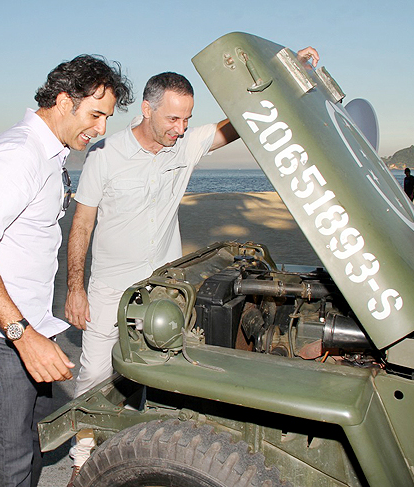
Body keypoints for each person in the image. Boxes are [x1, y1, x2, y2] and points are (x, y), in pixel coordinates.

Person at [63, 47, 319, 484]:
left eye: (187, 120)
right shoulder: (105, 155)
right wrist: (75, 287)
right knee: (95, 375)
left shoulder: (185, 145)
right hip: (109, 290)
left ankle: (145, 454)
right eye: (172, 120)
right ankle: (82, 461)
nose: (181, 129)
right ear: (146, 109)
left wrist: (288, 72)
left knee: (160, 375)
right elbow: (82, 223)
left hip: (166, 293)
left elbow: (236, 125)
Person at [0, 55, 133, 487]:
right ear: (65, 100)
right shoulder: (18, 154)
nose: (102, 128)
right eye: (96, 114)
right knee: (11, 458)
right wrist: (24, 337)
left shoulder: (49, 155)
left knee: (28, 448)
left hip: (20, 326)